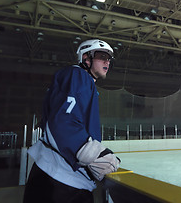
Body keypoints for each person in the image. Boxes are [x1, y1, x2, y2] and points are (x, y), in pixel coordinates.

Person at [23, 39, 121, 203]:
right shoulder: (78, 75)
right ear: (86, 58)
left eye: (109, 58)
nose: (107, 61)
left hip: (55, 178)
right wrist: (91, 153)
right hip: (61, 182)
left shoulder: (83, 82)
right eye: (102, 55)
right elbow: (63, 120)